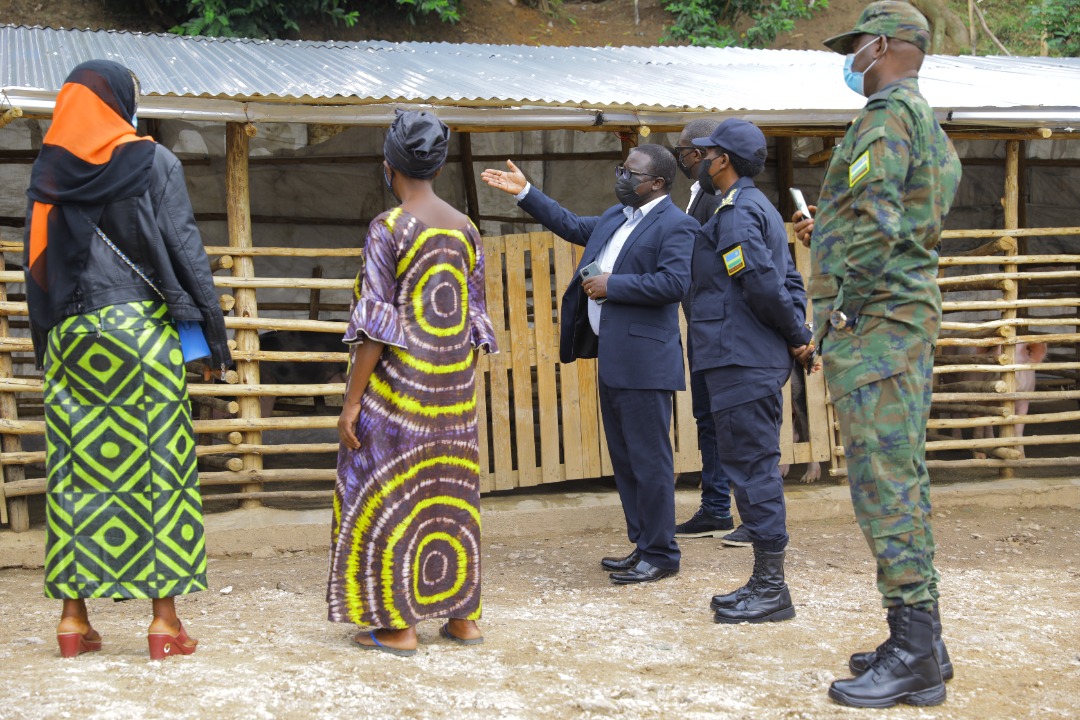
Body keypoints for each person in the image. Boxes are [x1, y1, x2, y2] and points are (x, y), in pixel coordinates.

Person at [24, 60, 230, 659]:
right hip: (138, 332)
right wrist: (211, 337)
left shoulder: (48, 174)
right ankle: (164, 623)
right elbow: (186, 251)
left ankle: (73, 619)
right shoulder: (152, 160)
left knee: (73, 473)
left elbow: (36, 269)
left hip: (70, 337)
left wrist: (48, 346)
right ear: (118, 102)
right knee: (158, 471)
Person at [793, 1, 962, 708]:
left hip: (879, 326)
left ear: (885, 44)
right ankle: (924, 642)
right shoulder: (928, 120)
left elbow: (880, 221)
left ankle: (915, 651)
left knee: (883, 487)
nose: (851, 56)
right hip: (901, 317)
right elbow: (900, 216)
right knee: (903, 479)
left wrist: (844, 305)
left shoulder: (886, 115)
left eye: (857, 43)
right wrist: (822, 234)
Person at [481, 145, 696, 585]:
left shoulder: (677, 224)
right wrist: (526, 193)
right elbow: (573, 225)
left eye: (630, 172)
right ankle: (642, 545)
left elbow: (675, 282)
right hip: (613, 356)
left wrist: (614, 285)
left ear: (656, 183)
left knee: (650, 461)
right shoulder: (618, 217)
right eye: (621, 168)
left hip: (646, 362)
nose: (621, 177)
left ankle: (662, 552)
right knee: (625, 458)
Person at [328, 110, 498, 656]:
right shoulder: (466, 228)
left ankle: (398, 627)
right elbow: (475, 325)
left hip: (398, 396)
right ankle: (462, 616)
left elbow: (375, 328)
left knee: (388, 494)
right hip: (452, 397)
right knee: (449, 497)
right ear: (439, 165)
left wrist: (352, 403)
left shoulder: (389, 229)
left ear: (389, 167)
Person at [687, 119, 814, 625]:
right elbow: (789, 277)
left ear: (723, 161)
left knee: (753, 468)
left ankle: (771, 587)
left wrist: (797, 334)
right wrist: (797, 328)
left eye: (707, 153)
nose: (700, 160)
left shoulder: (738, 211)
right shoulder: (754, 207)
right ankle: (764, 582)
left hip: (741, 357)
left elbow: (762, 283)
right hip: (744, 356)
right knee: (749, 465)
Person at [671, 118, 744, 547]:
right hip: (701, 324)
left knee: (731, 421)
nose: (682, 159)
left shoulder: (723, 200)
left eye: (683, 152)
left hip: (722, 328)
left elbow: (736, 267)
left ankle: (751, 512)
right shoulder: (699, 194)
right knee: (708, 419)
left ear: (699, 155)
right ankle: (716, 506)